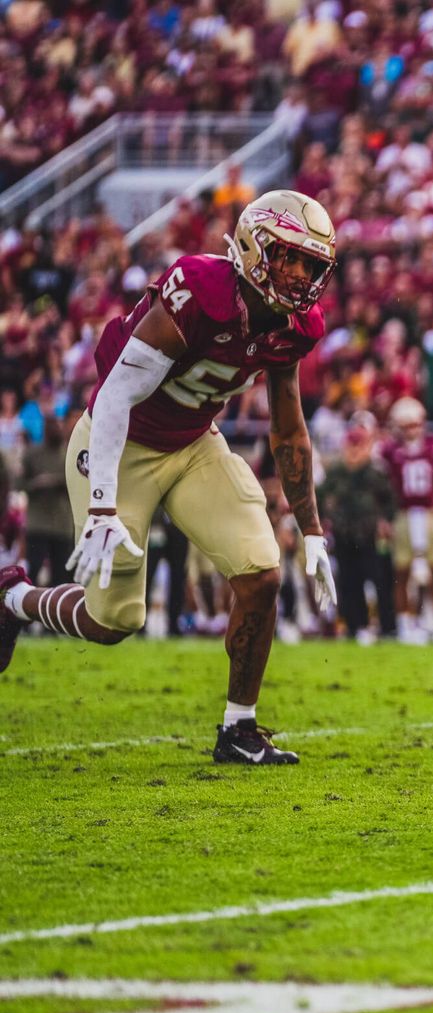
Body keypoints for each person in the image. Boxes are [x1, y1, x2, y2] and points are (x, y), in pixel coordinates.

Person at [0, 190, 339, 765]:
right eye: (288, 256)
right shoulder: (199, 290)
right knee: (114, 620)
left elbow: (288, 429)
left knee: (261, 573)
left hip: (192, 445)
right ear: (255, 247)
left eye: (311, 263)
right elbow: (113, 399)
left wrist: (311, 530)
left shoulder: (296, 324)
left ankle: (239, 728)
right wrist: (103, 508)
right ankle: (13, 597)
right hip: (120, 441)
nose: (299, 274)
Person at [379, 396, 433, 643]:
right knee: (403, 571)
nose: (413, 429)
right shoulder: (390, 450)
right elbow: (385, 486)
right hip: (403, 514)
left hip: (430, 512)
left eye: (415, 424)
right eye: (407, 425)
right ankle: (405, 623)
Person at [317, 422, 397, 641]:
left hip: (371, 534)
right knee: (349, 582)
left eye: (359, 445)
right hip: (344, 534)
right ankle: (354, 625)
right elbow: (320, 497)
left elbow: (390, 501)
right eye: (351, 445)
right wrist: (325, 520)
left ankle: (388, 627)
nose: (355, 451)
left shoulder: (376, 471)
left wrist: (386, 522)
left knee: (381, 580)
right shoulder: (336, 472)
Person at [18, 413, 73, 586]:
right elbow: (19, 484)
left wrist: (57, 482)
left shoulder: (70, 453)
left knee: (61, 576)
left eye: (58, 425)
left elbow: (81, 482)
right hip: (38, 523)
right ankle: (27, 612)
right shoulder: (32, 454)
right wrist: (37, 484)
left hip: (62, 524)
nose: (56, 429)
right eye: (52, 426)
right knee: (33, 570)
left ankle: (57, 612)